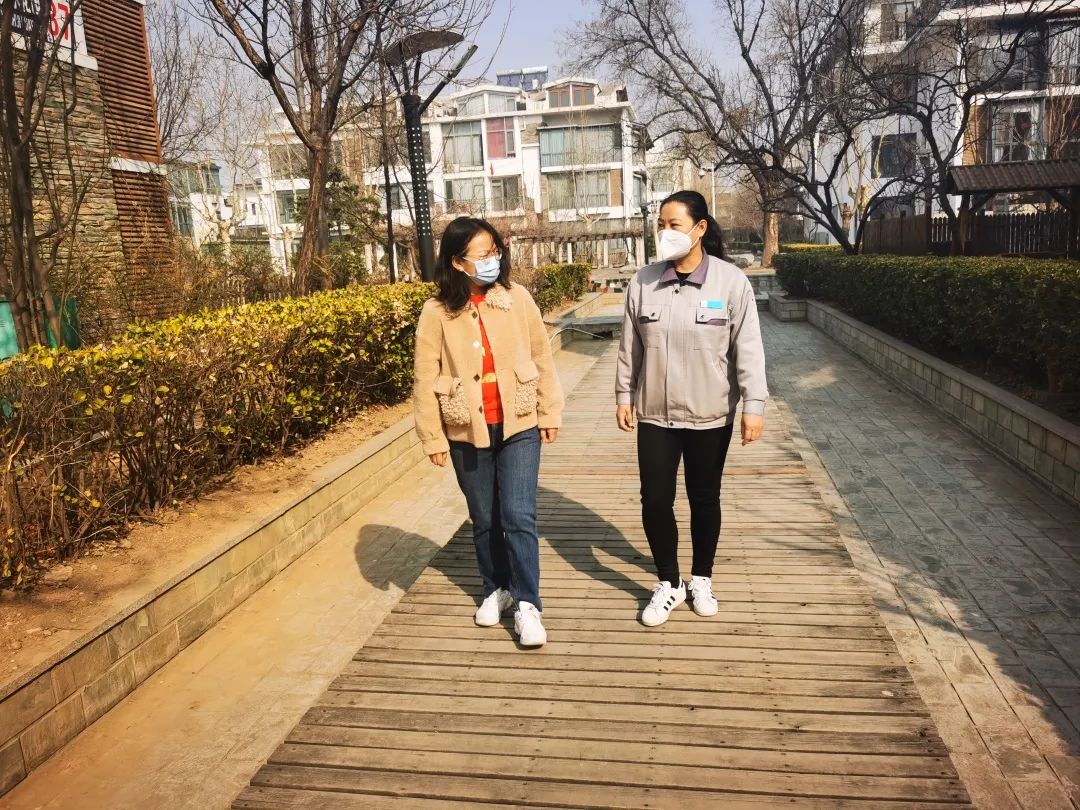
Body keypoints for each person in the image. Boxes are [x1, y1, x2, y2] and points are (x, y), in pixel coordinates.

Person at [615, 190, 768, 627]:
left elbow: (748, 348)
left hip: (710, 414)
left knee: (704, 498)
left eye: (674, 225)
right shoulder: (643, 282)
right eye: (660, 225)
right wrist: (624, 395)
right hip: (655, 414)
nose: (665, 232)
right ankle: (669, 582)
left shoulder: (730, 282)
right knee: (655, 499)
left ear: (699, 229)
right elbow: (629, 347)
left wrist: (754, 404)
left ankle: (701, 578)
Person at [413, 216, 564, 647]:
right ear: (457, 262)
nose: (492, 259)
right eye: (482, 254)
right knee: (484, 517)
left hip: (519, 421)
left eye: (495, 251)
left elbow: (542, 355)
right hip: (466, 427)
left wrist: (549, 411)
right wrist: (432, 436)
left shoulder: (517, 298)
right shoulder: (437, 312)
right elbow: (425, 376)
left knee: (518, 514)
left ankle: (528, 604)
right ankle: (496, 587)